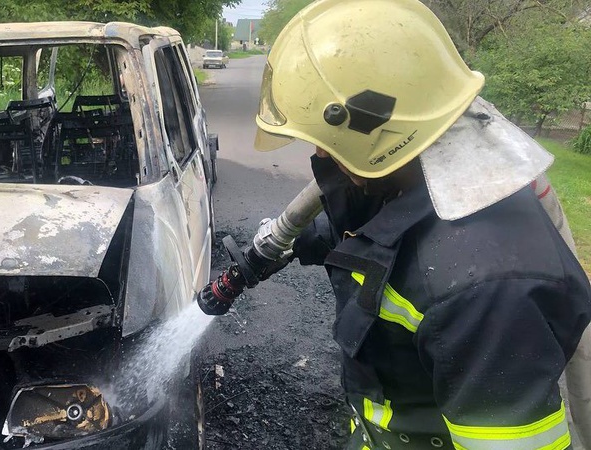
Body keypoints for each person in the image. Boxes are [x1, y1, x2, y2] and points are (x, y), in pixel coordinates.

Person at [253, 0, 591, 448]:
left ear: (376, 132)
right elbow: (385, 234)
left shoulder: (485, 293)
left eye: (322, 141)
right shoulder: (406, 170)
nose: (317, 156)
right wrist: (309, 242)